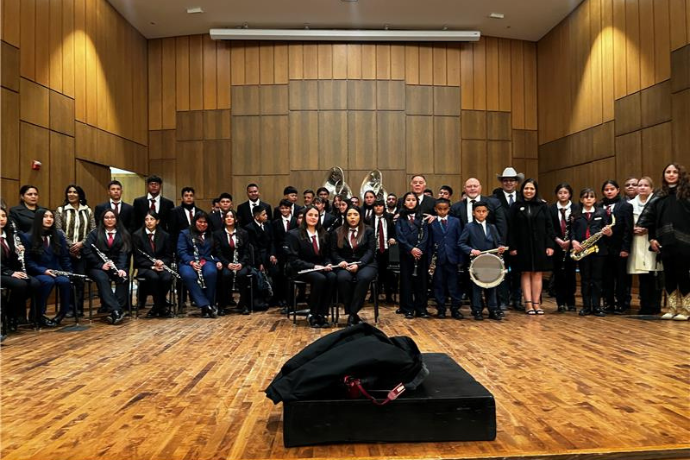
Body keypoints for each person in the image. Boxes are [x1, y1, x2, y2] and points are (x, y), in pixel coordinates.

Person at [639, 163, 690, 320]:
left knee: (683, 275)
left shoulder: (687, 194)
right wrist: (652, 238)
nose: (671, 174)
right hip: (664, 242)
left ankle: (686, 310)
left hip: (685, 242)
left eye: (675, 172)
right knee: (668, 276)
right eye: (668, 172)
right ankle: (672, 308)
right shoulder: (658, 196)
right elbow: (650, 221)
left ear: (680, 174)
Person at [508, 179, 555, 315]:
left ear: (536, 191)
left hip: (540, 245)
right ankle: (528, 304)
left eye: (532, 189)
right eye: (526, 188)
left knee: (538, 273)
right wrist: (512, 246)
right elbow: (511, 228)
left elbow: (549, 227)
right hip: (522, 246)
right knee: (525, 272)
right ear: (522, 190)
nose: (529, 191)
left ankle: (536, 303)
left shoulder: (543, 206)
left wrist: (550, 245)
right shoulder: (516, 206)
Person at [285, 205, 336, 328]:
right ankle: (313, 314)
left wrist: (328, 263)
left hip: (320, 268)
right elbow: (293, 260)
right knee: (320, 279)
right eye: (310, 215)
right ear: (304, 217)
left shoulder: (324, 233)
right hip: (302, 269)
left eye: (316, 215)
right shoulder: (294, 234)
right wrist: (314, 266)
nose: (313, 218)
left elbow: (327, 255)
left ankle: (322, 314)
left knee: (333, 276)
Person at [459, 201, 507, 321]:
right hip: (477, 262)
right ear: (473, 213)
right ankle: (477, 310)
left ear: (487, 213)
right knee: (476, 288)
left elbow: (498, 243)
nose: (481, 214)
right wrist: (471, 250)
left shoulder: (492, 227)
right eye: (478, 211)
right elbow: (461, 243)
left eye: (483, 211)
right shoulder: (469, 227)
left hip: (491, 261)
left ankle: (493, 310)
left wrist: (500, 248)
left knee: (492, 286)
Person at [331, 205, 377, 326]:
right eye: (349, 215)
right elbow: (333, 252)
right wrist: (340, 261)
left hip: (366, 263)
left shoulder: (369, 231)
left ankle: (352, 313)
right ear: (345, 217)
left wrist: (359, 264)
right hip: (345, 264)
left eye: (355, 214)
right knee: (342, 278)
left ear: (360, 216)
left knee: (364, 278)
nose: (352, 217)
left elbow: (370, 251)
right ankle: (353, 313)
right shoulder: (337, 232)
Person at [55, 184, 96, 317]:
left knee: (79, 280)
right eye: (69, 192)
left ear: (80, 195)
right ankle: (67, 308)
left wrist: (81, 244)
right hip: (65, 251)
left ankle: (78, 308)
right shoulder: (61, 210)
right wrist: (71, 244)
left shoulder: (88, 211)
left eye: (74, 192)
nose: (71, 194)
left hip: (82, 251)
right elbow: (58, 230)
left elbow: (93, 230)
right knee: (67, 279)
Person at [83, 209, 131, 325]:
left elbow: (124, 253)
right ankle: (115, 310)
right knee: (102, 278)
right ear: (102, 220)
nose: (109, 220)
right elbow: (87, 251)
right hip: (96, 267)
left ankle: (117, 309)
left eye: (112, 217)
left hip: (115, 266)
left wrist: (121, 269)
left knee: (123, 278)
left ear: (116, 219)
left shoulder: (123, 234)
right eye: (106, 217)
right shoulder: (94, 233)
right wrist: (100, 265)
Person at [572, 188, 612, 317]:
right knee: (585, 279)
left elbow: (608, 230)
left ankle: (597, 306)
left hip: (598, 250)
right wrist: (574, 242)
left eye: (591, 197)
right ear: (581, 199)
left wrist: (609, 232)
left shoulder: (602, 212)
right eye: (585, 197)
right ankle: (586, 307)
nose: (588, 199)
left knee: (597, 279)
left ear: (595, 199)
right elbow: (572, 231)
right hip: (583, 250)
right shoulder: (576, 214)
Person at [0, 207, 40, 331]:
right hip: (3, 272)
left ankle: (9, 312)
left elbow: (12, 260)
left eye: (3, 216)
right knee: (20, 285)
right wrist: (11, 273)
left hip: (9, 271)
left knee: (35, 283)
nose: (1, 219)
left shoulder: (10, 235)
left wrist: (18, 252)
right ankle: (11, 316)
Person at [627, 176, 662, 315]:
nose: (642, 187)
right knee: (642, 276)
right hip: (636, 242)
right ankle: (645, 305)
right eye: (640, 185)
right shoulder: (630, 204)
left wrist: (648, 229)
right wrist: (632, 229)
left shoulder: (658, 203)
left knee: (654, 274)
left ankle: (655, 305)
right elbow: (624, 224)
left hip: (652, 241)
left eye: (646, 185)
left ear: (651, 188)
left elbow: (660, 222)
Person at [599, 180, 634, 314]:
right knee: (606, 277)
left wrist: (625, 248)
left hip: (619, 247)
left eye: (612, 189)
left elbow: (628, 229)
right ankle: (608, 303)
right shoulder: (599, 206)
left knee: (621, 278)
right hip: (603, 248)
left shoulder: (625, 206)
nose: (609, 191)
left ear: (618, 190)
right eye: (606, 189)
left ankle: (621, 303)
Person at [493, 167, 524, 311]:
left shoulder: (523, 197)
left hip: (519, 243)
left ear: (516, 182)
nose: (509, 183)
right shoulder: (494, 198)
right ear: (502, 182)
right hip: (501, 242)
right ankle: (503, 300)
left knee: (518, 272)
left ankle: (517, 299)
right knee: (502, 272)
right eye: (506, 181)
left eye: (512, 180)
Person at [177, 211, 219, 318]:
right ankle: (205, 305)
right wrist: (191, 262)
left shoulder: (212, 235)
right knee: (188, 275)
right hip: (188, 262)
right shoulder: (185, 233)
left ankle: (209, 305)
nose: (202, 224)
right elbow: (181, 251)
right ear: (195, 222)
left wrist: (217, 261)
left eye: (205, 222)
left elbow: (217, 252)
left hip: (206, 260)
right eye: (200, 222)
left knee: (211, 272)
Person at [132, 211, 174, 318]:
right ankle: (161, 306)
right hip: (145, 267)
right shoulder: (137, 235)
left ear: (157, 221)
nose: (149, 222)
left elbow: (168, 256)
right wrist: (152, 266)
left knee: (167, 277)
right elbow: (138, 258)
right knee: (153, 277)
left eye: (152, 219)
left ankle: (157, 306)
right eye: (147, 219)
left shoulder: (165, 235)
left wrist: (162, 262)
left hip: (161, 266)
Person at [395, 192, 430, 319]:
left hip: (420, 255)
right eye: (408, 200)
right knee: (406, 282)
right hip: (406, 255)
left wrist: (419, 249)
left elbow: (426, 236)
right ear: (404, 203)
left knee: (421, 283)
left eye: (413, 200)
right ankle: (408, 308)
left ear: (417, 202)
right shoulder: (400, 219)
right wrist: (411, 249)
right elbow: (400, 237)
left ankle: (421, 308)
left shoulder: (423, 218)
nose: (411, 202)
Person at [429, 198, 464, 319]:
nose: (442, 211)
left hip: (452, 258)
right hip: (439, 258)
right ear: (435, 209)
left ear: (449, 209)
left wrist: (460, 258)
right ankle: (441, 309)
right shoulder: (431, 223)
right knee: (438, 285)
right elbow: (429, 242)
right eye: (440, 209)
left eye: (445, 209)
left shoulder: (456, 221)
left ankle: (455, 309)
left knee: (454, 285)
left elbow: (460, 240)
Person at [213, 209, 252, 315]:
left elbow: (247, 252)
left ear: (235, 219)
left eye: (231, 216)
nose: (229, 218)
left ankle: (243, 304)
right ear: (224, 219)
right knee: (225, 275)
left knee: (242, 274)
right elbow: (218, 252)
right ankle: (222, 304)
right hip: (226, 263)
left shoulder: (243, 233)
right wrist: (227, 264)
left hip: (241, 263)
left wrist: (242, 263)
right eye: (227, 217)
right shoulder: (218, 234)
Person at [549, 183, 580, 312]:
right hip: (557, 246)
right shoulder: (551, 209)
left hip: (571, 246)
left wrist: (570, 241)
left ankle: (571, 302)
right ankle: (560, 302)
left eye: (565, 192)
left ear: (570, 194)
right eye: (560, 192)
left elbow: (578, 227)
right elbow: (549, 227)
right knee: (558, 275)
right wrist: (558, 240)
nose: (563, 195)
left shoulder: (576, 208)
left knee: (570, 274)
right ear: (557, 194)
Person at [245, 205, 278, 310]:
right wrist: (260, 263)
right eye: (264, 214)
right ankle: (261, 299)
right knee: (260, 275)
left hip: (268, 254)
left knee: (276, 271)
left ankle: (275, 298)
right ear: (257, 216)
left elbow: (273, 241)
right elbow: (253, 247)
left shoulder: (268, 224)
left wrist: (273, 254)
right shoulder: (249, 228)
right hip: (257, 257)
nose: (266, 216)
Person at [270, 200, 297, 309]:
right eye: (282, 208)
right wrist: (273, 254)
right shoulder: (275, 223)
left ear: (290, 209)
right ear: (279, 209)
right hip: (280, 253)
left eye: (287, 208)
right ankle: (280, 299)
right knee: (280, 276)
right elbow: (273, 240)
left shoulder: (296, 221)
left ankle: (289, 301)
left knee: (290, 277)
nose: (285, 210)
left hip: (293, 253)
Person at [371, 199, 396, 304]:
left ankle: (389, 296)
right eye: (376, 206)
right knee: (375, 273)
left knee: (388, 274)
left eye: (380, 206)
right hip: (374, 250)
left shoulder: (389, 218)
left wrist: (393, 238)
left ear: (384, 207)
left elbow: (395, 231)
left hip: (387, 249)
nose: (378, 208)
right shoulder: (369, 219)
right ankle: (374, 295)